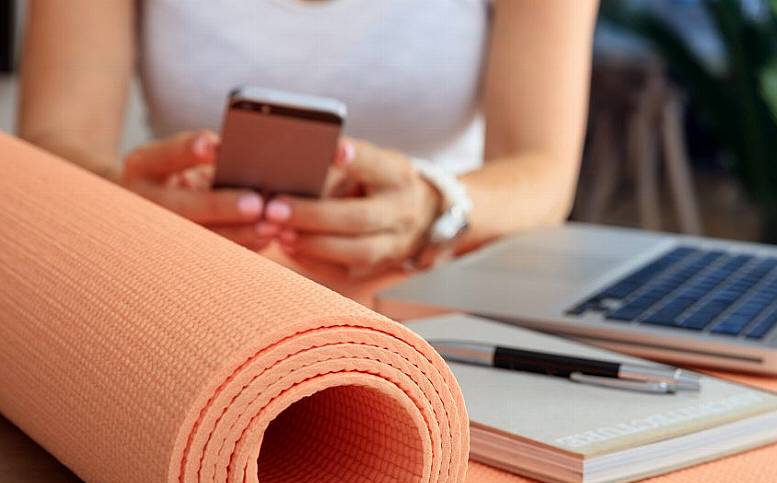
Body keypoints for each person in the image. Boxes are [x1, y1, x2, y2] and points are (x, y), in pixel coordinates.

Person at [18, 0, 597, 282]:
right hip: (195, 286)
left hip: (442, 292)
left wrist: (433, 204)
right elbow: (50, 144)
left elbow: (543, 168)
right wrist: (126, 199)